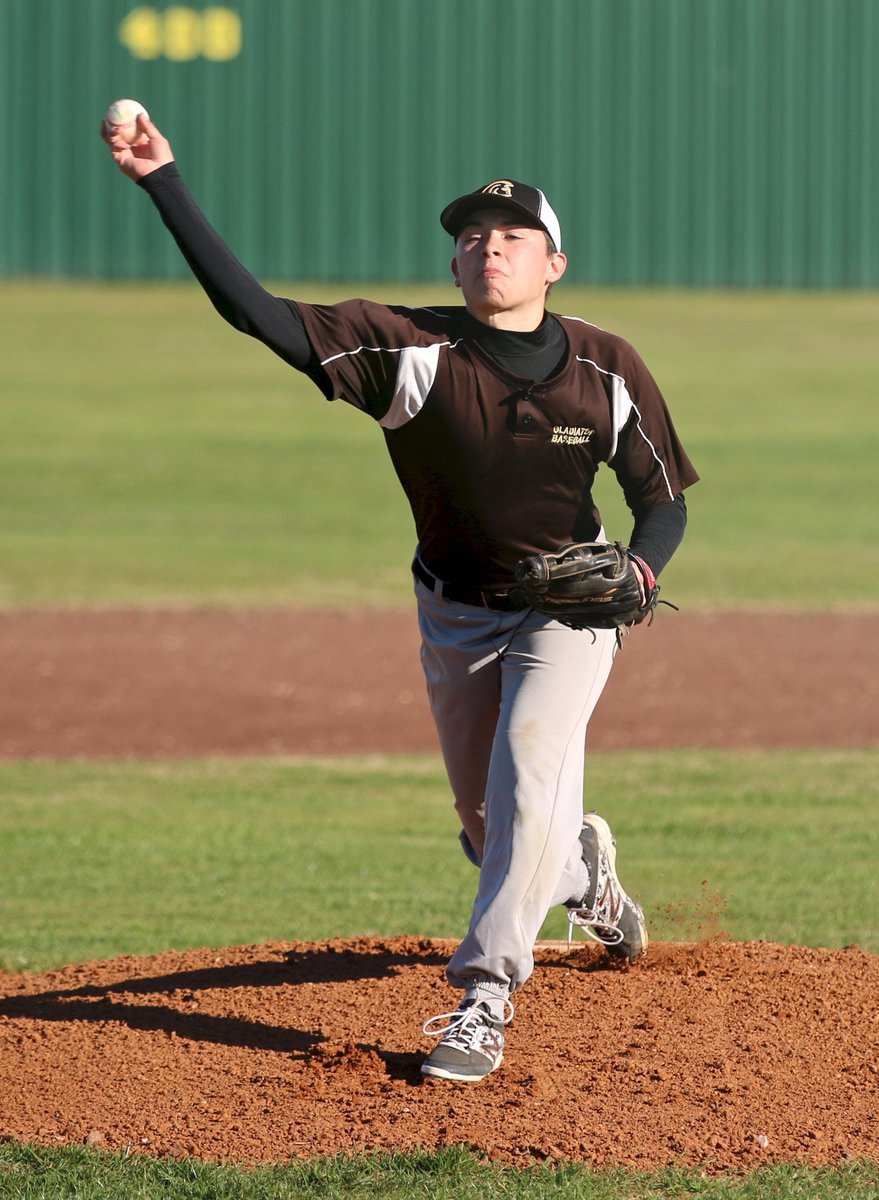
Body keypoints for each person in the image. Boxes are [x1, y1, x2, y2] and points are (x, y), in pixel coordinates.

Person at [103, 112, 699, 1083]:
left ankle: (485, 998)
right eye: (470, 235)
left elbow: (660, 499)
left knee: (531, 761)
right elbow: (258, 312)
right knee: (487, 826)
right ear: (457, 265)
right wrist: (164, 180)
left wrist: (640, 570)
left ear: (554, 263)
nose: (487, 246)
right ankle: (584, 875)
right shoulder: (407, 350)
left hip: (572, 609)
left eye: (511, 235)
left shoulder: (606, 364)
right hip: (457, 610)